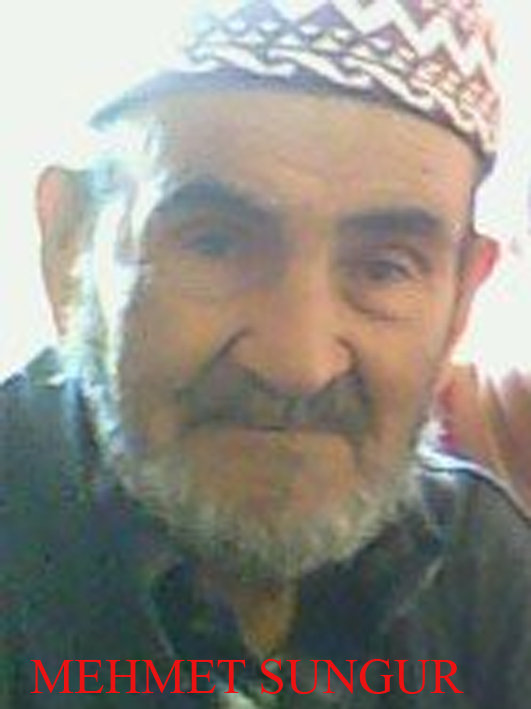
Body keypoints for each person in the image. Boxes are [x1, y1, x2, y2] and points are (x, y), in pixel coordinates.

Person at [3, 1, 530, 706]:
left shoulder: (481, 564)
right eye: (214, 244)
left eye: (384, 268)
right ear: (70, 248)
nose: (299, 365)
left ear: (461, 300)